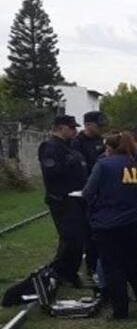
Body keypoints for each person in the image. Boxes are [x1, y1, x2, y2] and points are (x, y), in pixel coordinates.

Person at [82, 132, 137, 319]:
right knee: (136, 267)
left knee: (113, 268)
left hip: (108, 224)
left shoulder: (104, 165)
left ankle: (120, 311)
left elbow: (88, 192)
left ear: (111, 148)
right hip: (135, 223)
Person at [37, 115, 88, 287]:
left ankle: (68, 272)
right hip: (62, 199)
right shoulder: (50, 147)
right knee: (70, 238)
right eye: (71, 128)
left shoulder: (69, 147)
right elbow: (51, 172)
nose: (75, 131)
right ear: (60, 128)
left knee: (77, 239)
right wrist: (69, 164)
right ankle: (61, 272)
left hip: (76, 198)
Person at [74, 110, 106, 278]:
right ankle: (91, 266)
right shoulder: (77, 142)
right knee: (89, 232)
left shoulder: (100, 141)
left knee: (99, 230)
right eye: (98, 126)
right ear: (88, 125)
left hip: (99, 191)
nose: (101, 129)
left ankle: (99, 264)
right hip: (86, 190)